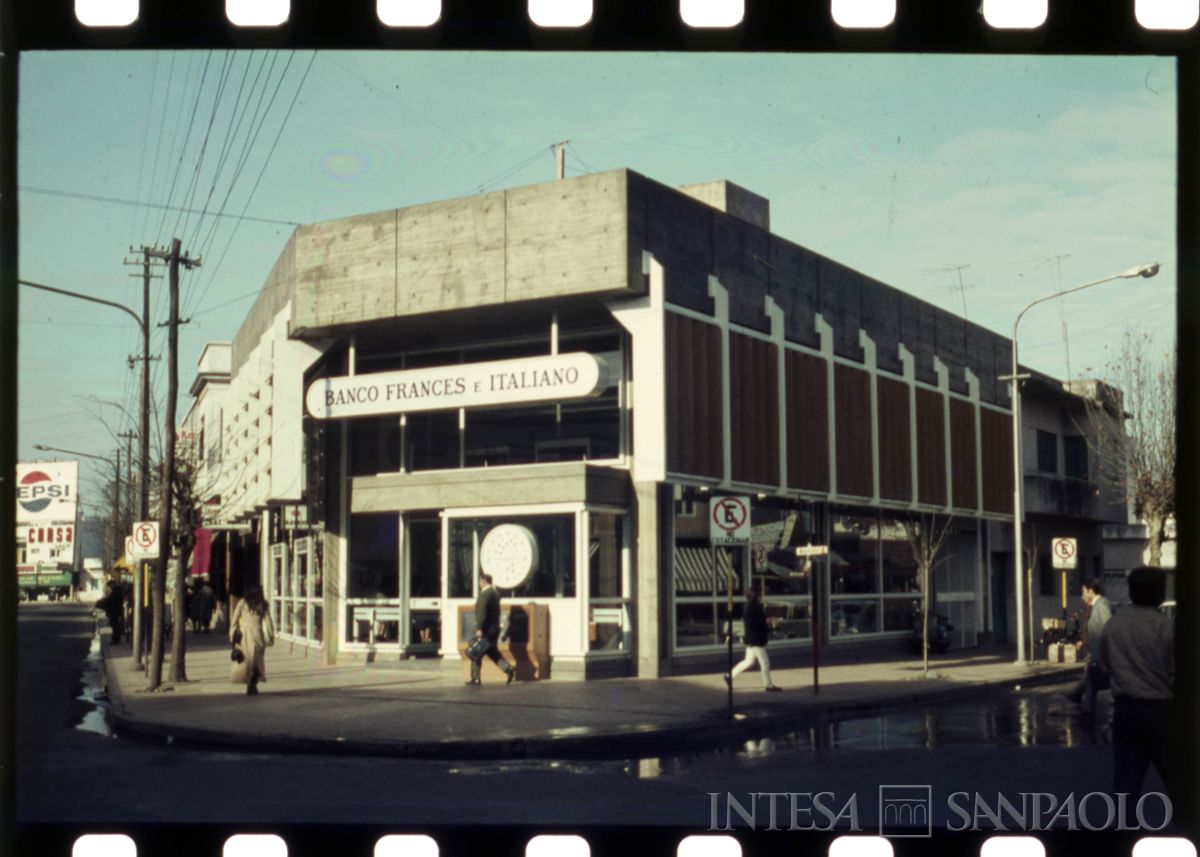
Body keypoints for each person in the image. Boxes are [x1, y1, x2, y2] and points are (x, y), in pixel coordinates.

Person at [1098, 566, 1176, 799]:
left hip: (1125, 710)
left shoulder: (1113, 625)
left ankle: (1124, 821)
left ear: (1132, 592)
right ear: (1159, 593)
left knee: (1126, 782)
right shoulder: (1166, 627)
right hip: (1161, 712)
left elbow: (1105, 665)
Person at [724, 588, 782, 692]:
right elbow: (755, 623)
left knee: (748, 661)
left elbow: (756, 621)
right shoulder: (753, 607)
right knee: (765, 662)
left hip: (752, 639)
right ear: (755, 596)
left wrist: (767, 621)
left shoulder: (750, 606)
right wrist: (769, 625)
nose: (761, 597)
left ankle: (729, 676)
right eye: (759, 595)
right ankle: (769, 685)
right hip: (756, 639)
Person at [1069, 577, 1112, 715]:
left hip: (1099, 656)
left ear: (1091, 591)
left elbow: (1108, 630)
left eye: (1084, 592)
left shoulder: (1102, 606)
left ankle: (1085, 711)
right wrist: (1084, 641)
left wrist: (1105, 656)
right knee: (1089, 684)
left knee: (1091, 685)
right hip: (1093, 654)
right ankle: (1084, 706)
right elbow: (1094, 629)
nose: (1082, 595)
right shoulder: (1093, 606)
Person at [468, 572, 514, 686]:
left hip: (486, 628)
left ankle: (475, 678)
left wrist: (479, 628)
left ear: (484, 581)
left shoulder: (485, 595)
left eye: (479, 581)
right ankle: (508, 669)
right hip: (494, 628)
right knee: (492, 651)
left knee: (476, 651)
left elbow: (481, 612)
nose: (479, 584)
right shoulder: (495, 593)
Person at [230, 585, 275, 695]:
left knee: (246, 661)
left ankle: (249, 684)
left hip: (244, 636)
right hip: (257, 635)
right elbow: (268, 622)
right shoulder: (263, 605)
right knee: (257, 662)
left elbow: (234, 619)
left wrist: (232, 633)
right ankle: (252, 683)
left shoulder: (242, 603)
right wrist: (271, 635)